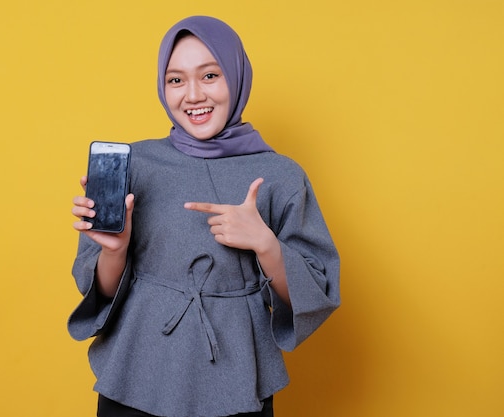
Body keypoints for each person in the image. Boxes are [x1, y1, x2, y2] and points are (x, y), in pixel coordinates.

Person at [68, 15, 340, 417]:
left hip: (236, 373)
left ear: (236, 76)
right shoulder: (137, 163)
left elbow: (315, 291)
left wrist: (265, 243)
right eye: (176, 80)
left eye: (210, 75)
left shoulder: (282, 174)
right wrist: (115, 250)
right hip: (138, 368)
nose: (192, 95)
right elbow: (100, 292)